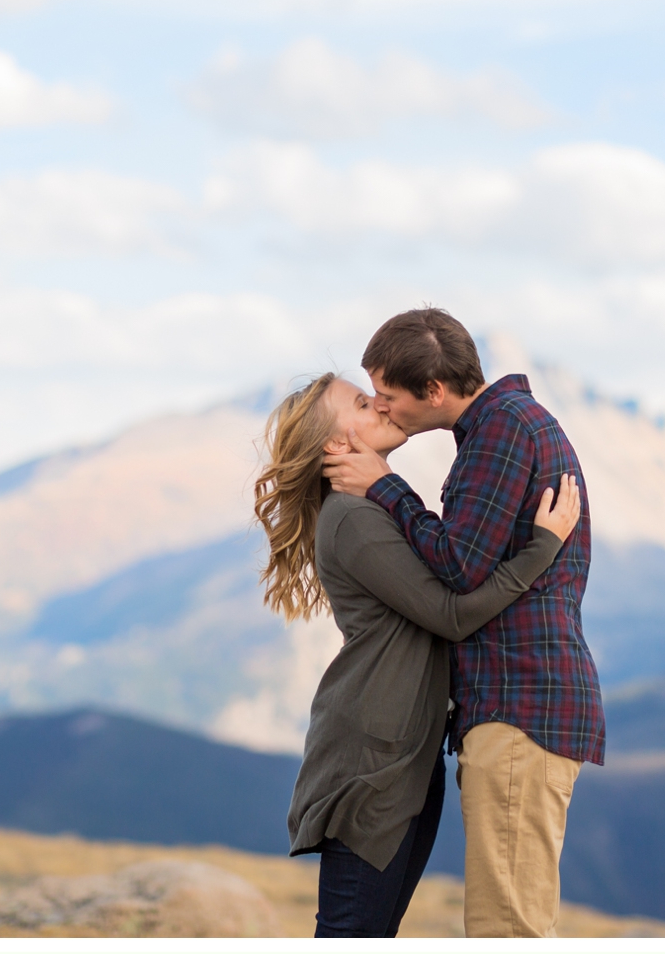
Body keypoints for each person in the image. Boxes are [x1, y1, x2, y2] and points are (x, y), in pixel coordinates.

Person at [256, 371, 583, 939]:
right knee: (350, 936)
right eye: (362, 402)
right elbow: (450, 613)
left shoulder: (369, 507)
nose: (381, 404)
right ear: (337, 445)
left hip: (404, 753)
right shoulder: (354, 518)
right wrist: (541, 551)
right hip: (371, 762)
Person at [323, 307, 603, 938]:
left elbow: (458, 568)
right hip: (523, 704)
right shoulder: (504, 427)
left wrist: (385, 484)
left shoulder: (500, 433)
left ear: (435, 392)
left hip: (517, 704)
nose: (386, 411)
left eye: (390, 398)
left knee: (506, 930)